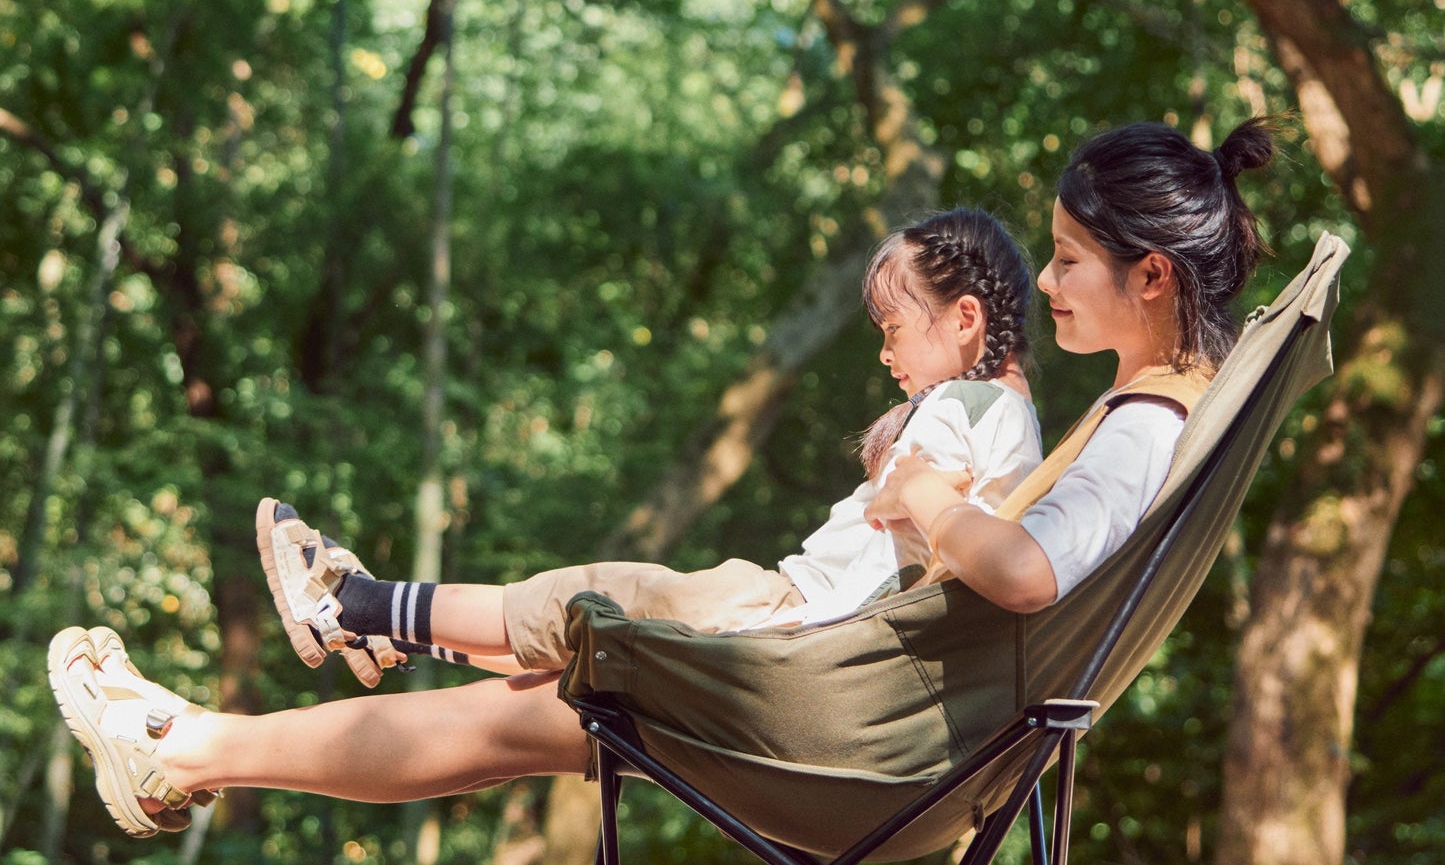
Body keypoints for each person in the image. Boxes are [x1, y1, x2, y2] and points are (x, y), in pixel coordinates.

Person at [49, 117, 1275, 839]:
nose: (1050, 283)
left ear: (1153, 275)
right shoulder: (1147, 415)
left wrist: (922, 496)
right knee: (530, 701)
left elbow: (1017, 571)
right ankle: (206, 730)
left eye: (1069, 260)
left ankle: (201, 731)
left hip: (854, 721)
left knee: (537, 693)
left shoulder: (1131, 431)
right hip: (867, 701)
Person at [256, 207, 1040, 688]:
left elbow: (914, 491)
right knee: (572, 636)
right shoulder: (1011, 421)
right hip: (799, 621)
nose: (885, 354)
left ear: (963, 318)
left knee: (580, 600)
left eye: (894, 330)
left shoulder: (961, 403)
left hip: (788, 617)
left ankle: (351, 601)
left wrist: (904, 480)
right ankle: (379, 625)